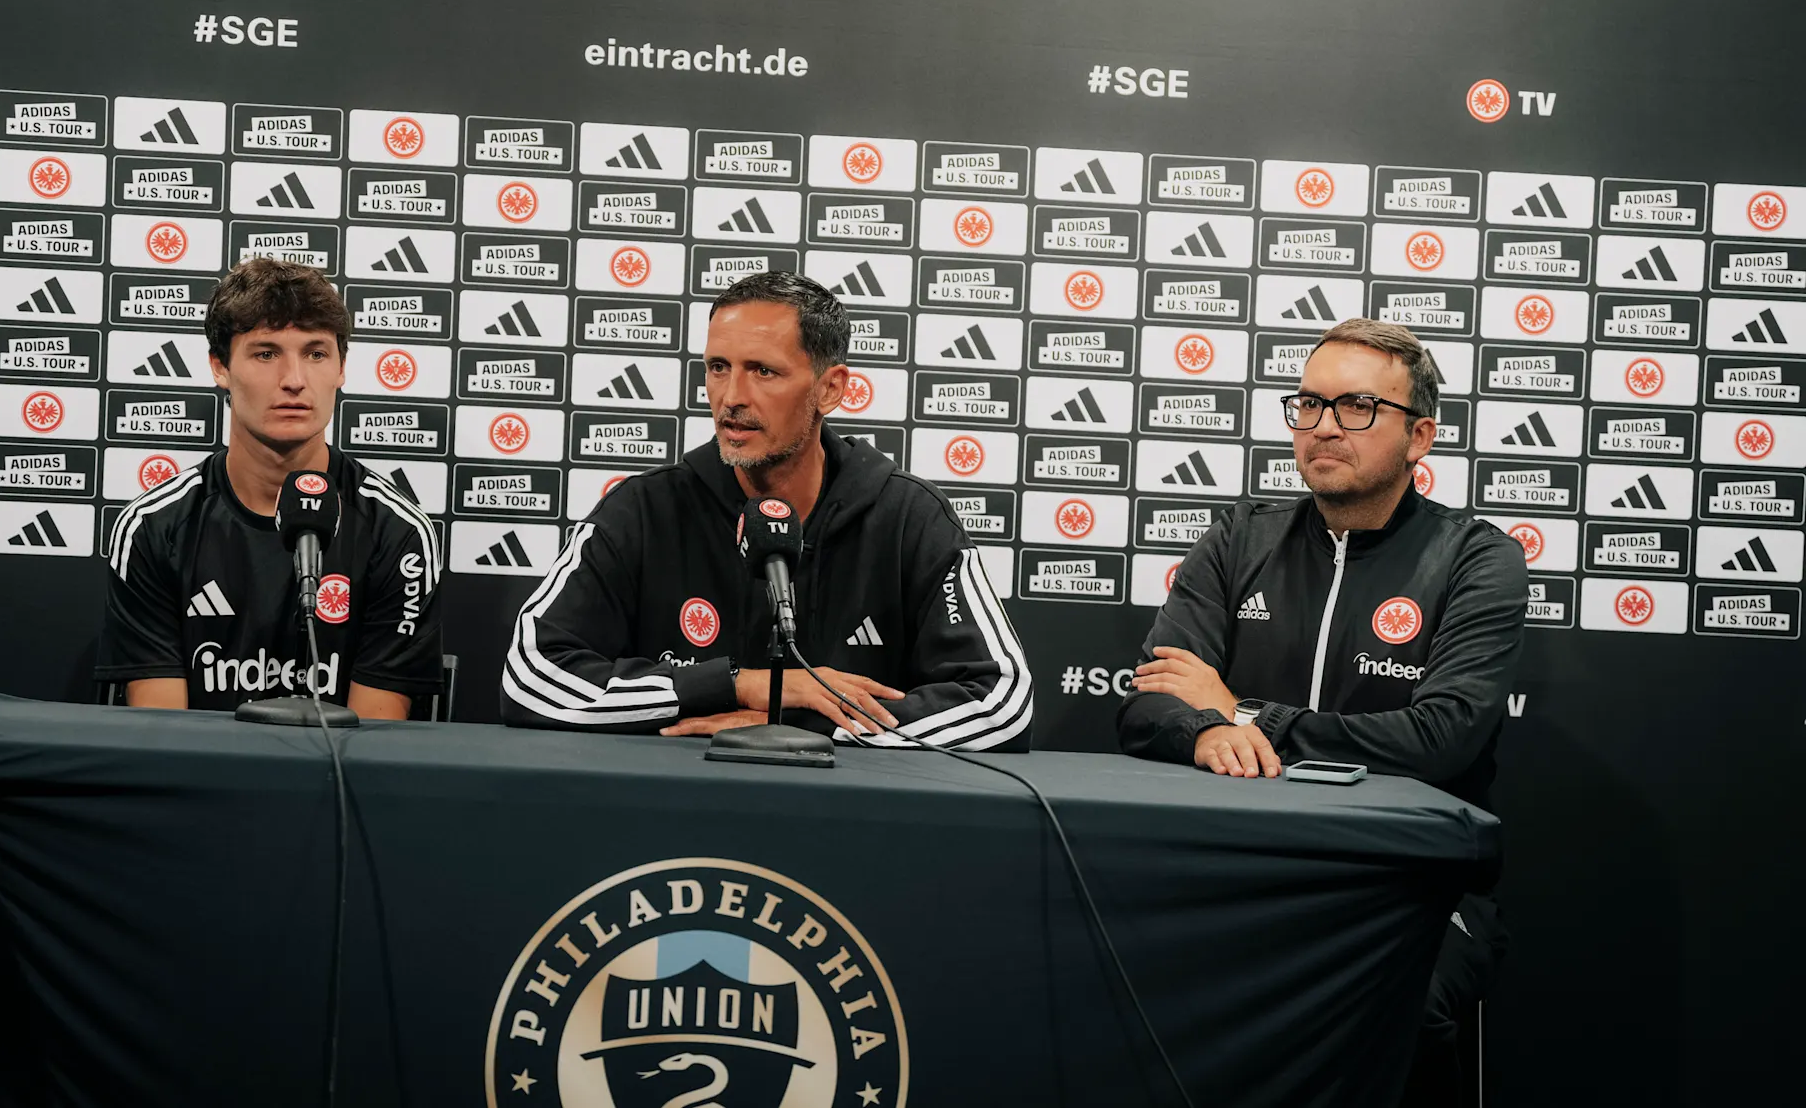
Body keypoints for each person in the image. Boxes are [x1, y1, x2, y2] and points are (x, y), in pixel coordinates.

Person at [1116, 317, 1525, 1106]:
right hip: (1233, 870)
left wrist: (1244, 715)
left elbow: (1440, 740)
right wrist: (1204, 728)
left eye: (1358, 406)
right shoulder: (1241, 536)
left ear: (1419, 437)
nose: (1325, 424)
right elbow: (1150, 704)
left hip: (1411, 886)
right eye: (1308, 404)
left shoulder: (1477, 558)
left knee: (1385, 1015)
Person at [502, 271, 1031, 749]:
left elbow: (1000, 703)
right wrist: (735, 685)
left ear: (830, 389)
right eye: (718, 368)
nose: (732, 396)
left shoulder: (909, 518)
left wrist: (795, 726)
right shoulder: (643, 509)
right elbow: (532, 677)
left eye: (764, 371)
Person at [96, 259, 442, 716]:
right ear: (220, 367)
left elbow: (376, 746)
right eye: (266, 353)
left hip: (336, 784)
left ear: (341, 369)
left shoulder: (396, 532)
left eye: (316, 354)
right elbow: (163, 738)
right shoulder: (154, 528)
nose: (294, 380)